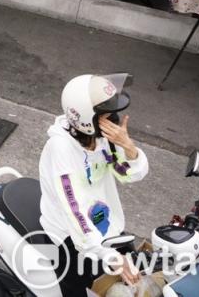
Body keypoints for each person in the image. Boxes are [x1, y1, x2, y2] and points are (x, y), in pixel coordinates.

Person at [39, 74, 148, 297]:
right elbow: (74, 209)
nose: (114, 119)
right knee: (76, 290)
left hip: (103, 225)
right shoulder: (61, 148)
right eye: (107, 115)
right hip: (68, 232)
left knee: (138, 275)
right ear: (86, 119)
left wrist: (128, 146)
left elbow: (128, 174)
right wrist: (108, 256)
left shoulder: (101, 140)